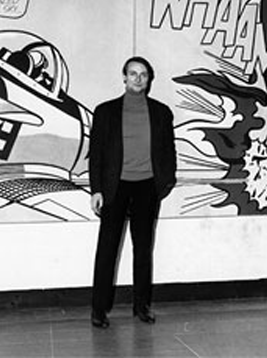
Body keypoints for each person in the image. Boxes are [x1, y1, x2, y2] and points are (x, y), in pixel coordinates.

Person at [88, 56, 177, 329]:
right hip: (114, 188)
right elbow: (96, 155)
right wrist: (96, 190)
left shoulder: (162, 112)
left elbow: (168, 152)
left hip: (146, 187)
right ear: (124, 77)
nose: (138, 78)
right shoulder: (105, 112)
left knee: (143, 249)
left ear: (149, 80)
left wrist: (163, 183)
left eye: (143, 74)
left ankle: (142, 306)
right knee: (107, 249)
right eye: (133, 73)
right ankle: (99, 309)